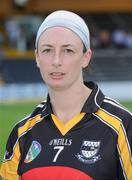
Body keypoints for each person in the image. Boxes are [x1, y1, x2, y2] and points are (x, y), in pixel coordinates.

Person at [0, 10, 132, 180]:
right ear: (37, 58)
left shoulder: (122, 125)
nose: (56, 61)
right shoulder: (22, 132)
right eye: (47, 50)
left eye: (68, 50)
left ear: (86, 57)